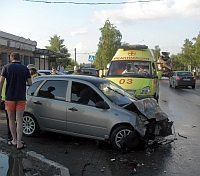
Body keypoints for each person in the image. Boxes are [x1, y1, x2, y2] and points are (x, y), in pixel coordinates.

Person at [0, 52, 32, 150]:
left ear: (11, 58)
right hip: (21, 97)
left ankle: (13, 140)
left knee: (11, 119)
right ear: (20, 58)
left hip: (9, 98)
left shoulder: (6, 67)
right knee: (19, 120)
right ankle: (19, 143)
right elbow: (30, 83)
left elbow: (1, 82)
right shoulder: (25, 68)